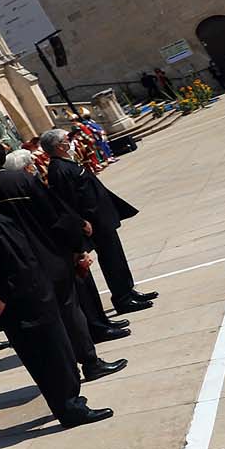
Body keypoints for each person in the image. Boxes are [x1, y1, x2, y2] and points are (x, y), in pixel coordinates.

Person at [0, 174, 114, 428]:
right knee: (56, 356)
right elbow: (23, 264)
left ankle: (61, 403)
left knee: (36, 360)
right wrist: (5, 295)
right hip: (31, 302)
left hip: (3, 309)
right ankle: (71, 408)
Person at [0, 139, 127, 385]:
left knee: (50, 324)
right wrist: (77, 248)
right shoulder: (22, 180)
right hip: (50, 259)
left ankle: (68, 375)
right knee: (70, 312)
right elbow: (55, 215)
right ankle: (91, 363)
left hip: (19, 269)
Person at [39, 128, 157, 316]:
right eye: (66, 139)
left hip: (102, 217)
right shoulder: (58, 169)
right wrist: (81, 222)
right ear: (59, 146)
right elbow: (66, 201)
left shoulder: (66, 163)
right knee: (111, 259)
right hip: (94, 222)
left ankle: (128, 290)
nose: (69, 142)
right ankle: (122, 299)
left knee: (117, 256)